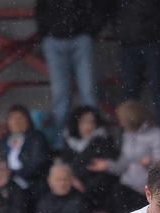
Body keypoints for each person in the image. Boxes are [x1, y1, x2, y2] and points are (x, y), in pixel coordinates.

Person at [35, 0, 109, 147]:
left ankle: (95, 142)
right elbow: (41, 8)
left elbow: (101, 6)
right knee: (61, 94)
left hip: (80, 36)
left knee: (88, 91)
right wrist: (45, 31)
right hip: (55, 37)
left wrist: (91, 30)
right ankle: (60, 144)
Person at [88, 99, 160, 213]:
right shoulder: (127, 135)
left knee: (125, 202)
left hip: (148, 187)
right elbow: (124, 163)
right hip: (128, 184)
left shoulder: (157, 135)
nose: (120, 124)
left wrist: (150, 162)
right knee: (111, 194)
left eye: (122, 120)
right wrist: (108, 165)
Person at [114, 0, 160, 132]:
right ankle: (134, 136)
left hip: (147, 39)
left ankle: (156, 135)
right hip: (134, 39)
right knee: (135, 90)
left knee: (153, 88)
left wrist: (154, 22)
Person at [60, 106, 120, 213]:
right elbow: (65, 165)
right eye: (84, 122)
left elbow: (104, 171)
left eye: (92, 122)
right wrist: (72, 179)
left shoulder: (104, 141)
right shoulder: (69, 142)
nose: (88, 126)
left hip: (97, 190)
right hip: (73, 185)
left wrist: (84, 188)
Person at [0, 104, 52, 200]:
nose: (16, 122)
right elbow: (0, 162)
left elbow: (38, 162)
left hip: (32, 183)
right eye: (12, 118)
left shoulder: (37, 138)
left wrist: (16, 177)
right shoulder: (4, 141)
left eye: (20, 118)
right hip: (9, 182)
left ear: (28, 120)